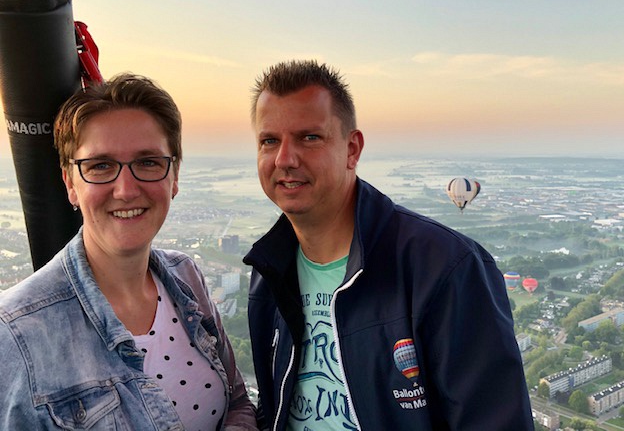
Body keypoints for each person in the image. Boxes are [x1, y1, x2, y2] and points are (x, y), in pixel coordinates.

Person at [243, 60, 533, 430]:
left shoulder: (445, 268)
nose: (285, 159)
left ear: (352, 149)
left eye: (309, 137)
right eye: (269, 141)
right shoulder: (268, 273)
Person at [0, 74, 257, 430]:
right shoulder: (16, 334)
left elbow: (238, 400)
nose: (125, 190)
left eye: (148, 162)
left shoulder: (186, 276)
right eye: (100, 165)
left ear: (174, 176)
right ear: (70, 183)